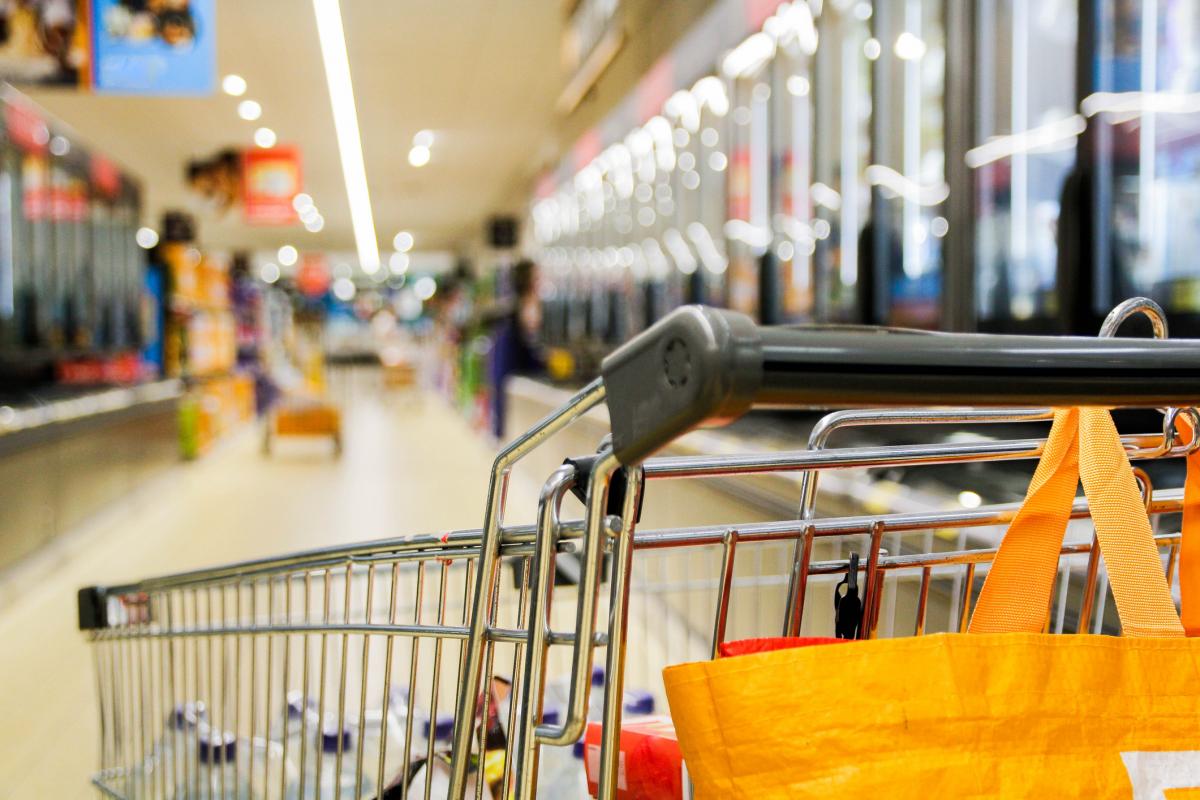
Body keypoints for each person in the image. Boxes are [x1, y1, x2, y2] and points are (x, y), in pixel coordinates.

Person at [489, 259, 543, 440]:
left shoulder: (514, 305)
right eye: (537, 277)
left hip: (509, 366)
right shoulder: (524, 306)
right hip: (512, 366)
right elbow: (530, 344)